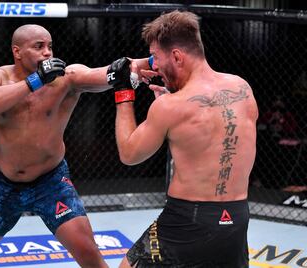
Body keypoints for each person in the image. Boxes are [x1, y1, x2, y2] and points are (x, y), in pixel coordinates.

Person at [107, 10, 258, 267]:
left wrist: (123, 93)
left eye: (155, 57)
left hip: (188, 219)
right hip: (236, 217)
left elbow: (130, 154)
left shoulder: (170, 107)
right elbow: (206, 127)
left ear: (177, 56)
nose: (153, 65)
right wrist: (171, 105)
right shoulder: (241, 88)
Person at [0, 24, 112, 268]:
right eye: (39, 46)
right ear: (17, 52)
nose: (48, 53)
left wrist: (138, 66)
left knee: (89, 254)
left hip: (51, 183)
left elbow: (104, 75)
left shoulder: (64, 78)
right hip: (3, 185)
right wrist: (36, 80)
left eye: (50, 46)